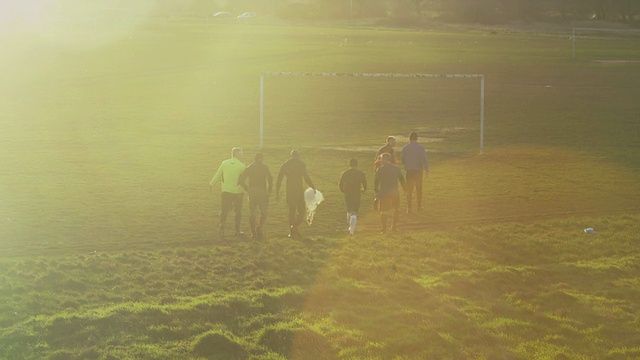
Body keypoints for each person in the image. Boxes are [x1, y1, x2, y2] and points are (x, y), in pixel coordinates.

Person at [275, 150, 316, 238]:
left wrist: (277, 191)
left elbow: (279, 179)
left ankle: (293, 229)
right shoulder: (301, 164)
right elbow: (306, 177)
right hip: (298, 190)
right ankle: (294, 227)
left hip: (290, 190)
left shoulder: (285, 165)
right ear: (298, 156)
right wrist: (312, 186)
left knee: (292, 211)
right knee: (301, 211)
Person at [209, 147, 246, 239]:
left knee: (224, 210)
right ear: (237, 154)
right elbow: (243, 180)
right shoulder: (242, 166)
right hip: (237, 192)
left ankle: (222, 226)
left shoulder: (224, 163)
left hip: (226, 191)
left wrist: (211, 183)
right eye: (241, 153)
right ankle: (237, 230)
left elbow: (218, 174)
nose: (242, 155)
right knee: (238, 211)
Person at [238, 152, 273, 240]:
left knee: (252, 213)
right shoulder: (264, 167)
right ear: (262, 158)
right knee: (264, 213)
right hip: (262, 192)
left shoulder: (249, 167)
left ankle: (253, 232)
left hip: (252, 192)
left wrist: (247, 189)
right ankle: (259, 228)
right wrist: (269, 190)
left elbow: (241, 180)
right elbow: (270, 179)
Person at [374, 153, 405, 234]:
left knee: (384, 211)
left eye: (381, 159)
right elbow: (402, 179)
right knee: (396, 209)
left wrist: (376, 191)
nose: (381, 161)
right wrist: (405, 190)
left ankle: (384, 229)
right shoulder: (396, 169)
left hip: (384, 193)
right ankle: (394, 227)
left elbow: (376, 181)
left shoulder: (380, 169)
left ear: (384, 160)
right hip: (395, 192)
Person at [401, 132, 429, 214]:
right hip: (418, 171)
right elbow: (424, 159)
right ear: (417, 138)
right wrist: (426, 168)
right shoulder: (421, 147)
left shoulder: (405, 148)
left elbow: (403, 159)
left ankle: (409, 208)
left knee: (409, 190)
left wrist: (406, 164)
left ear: (409, 138)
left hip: (409, 171)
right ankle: (419, 206)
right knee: (419, 189)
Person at [338, 158, 367, 236]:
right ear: (357, 165)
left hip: (348, 194)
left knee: (349, 210)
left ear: (349, 164)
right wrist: (363, 190)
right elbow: (365, 184)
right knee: (355, 211)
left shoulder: (345, 173)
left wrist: (343, 191)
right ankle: (352, 230)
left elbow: (340, 184)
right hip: (357, 194)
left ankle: (350, 227)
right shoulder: (360, 173)